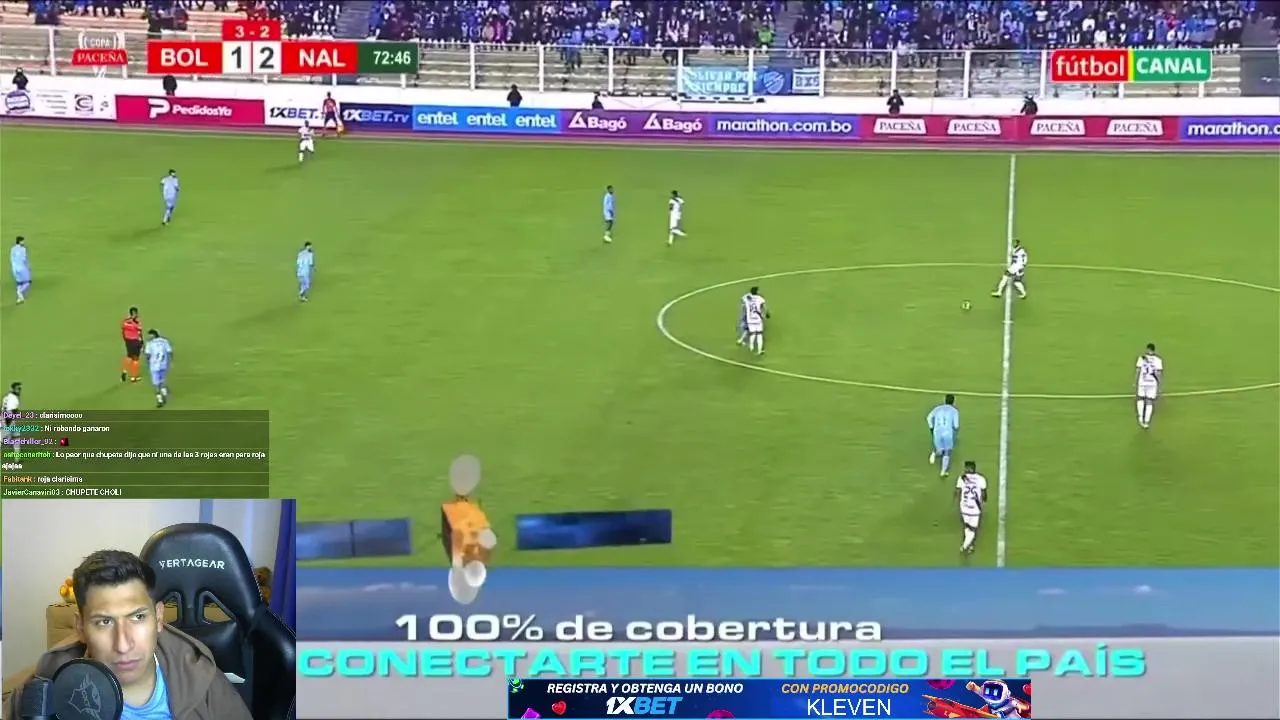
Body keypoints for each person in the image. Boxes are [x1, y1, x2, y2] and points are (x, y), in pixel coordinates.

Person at [3, 550, 253, 720]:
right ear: (80, 627)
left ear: (159, 618)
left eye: (137, 617)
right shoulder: (47, 683)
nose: (123, 644)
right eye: (104, 622)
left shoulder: (203, 680)